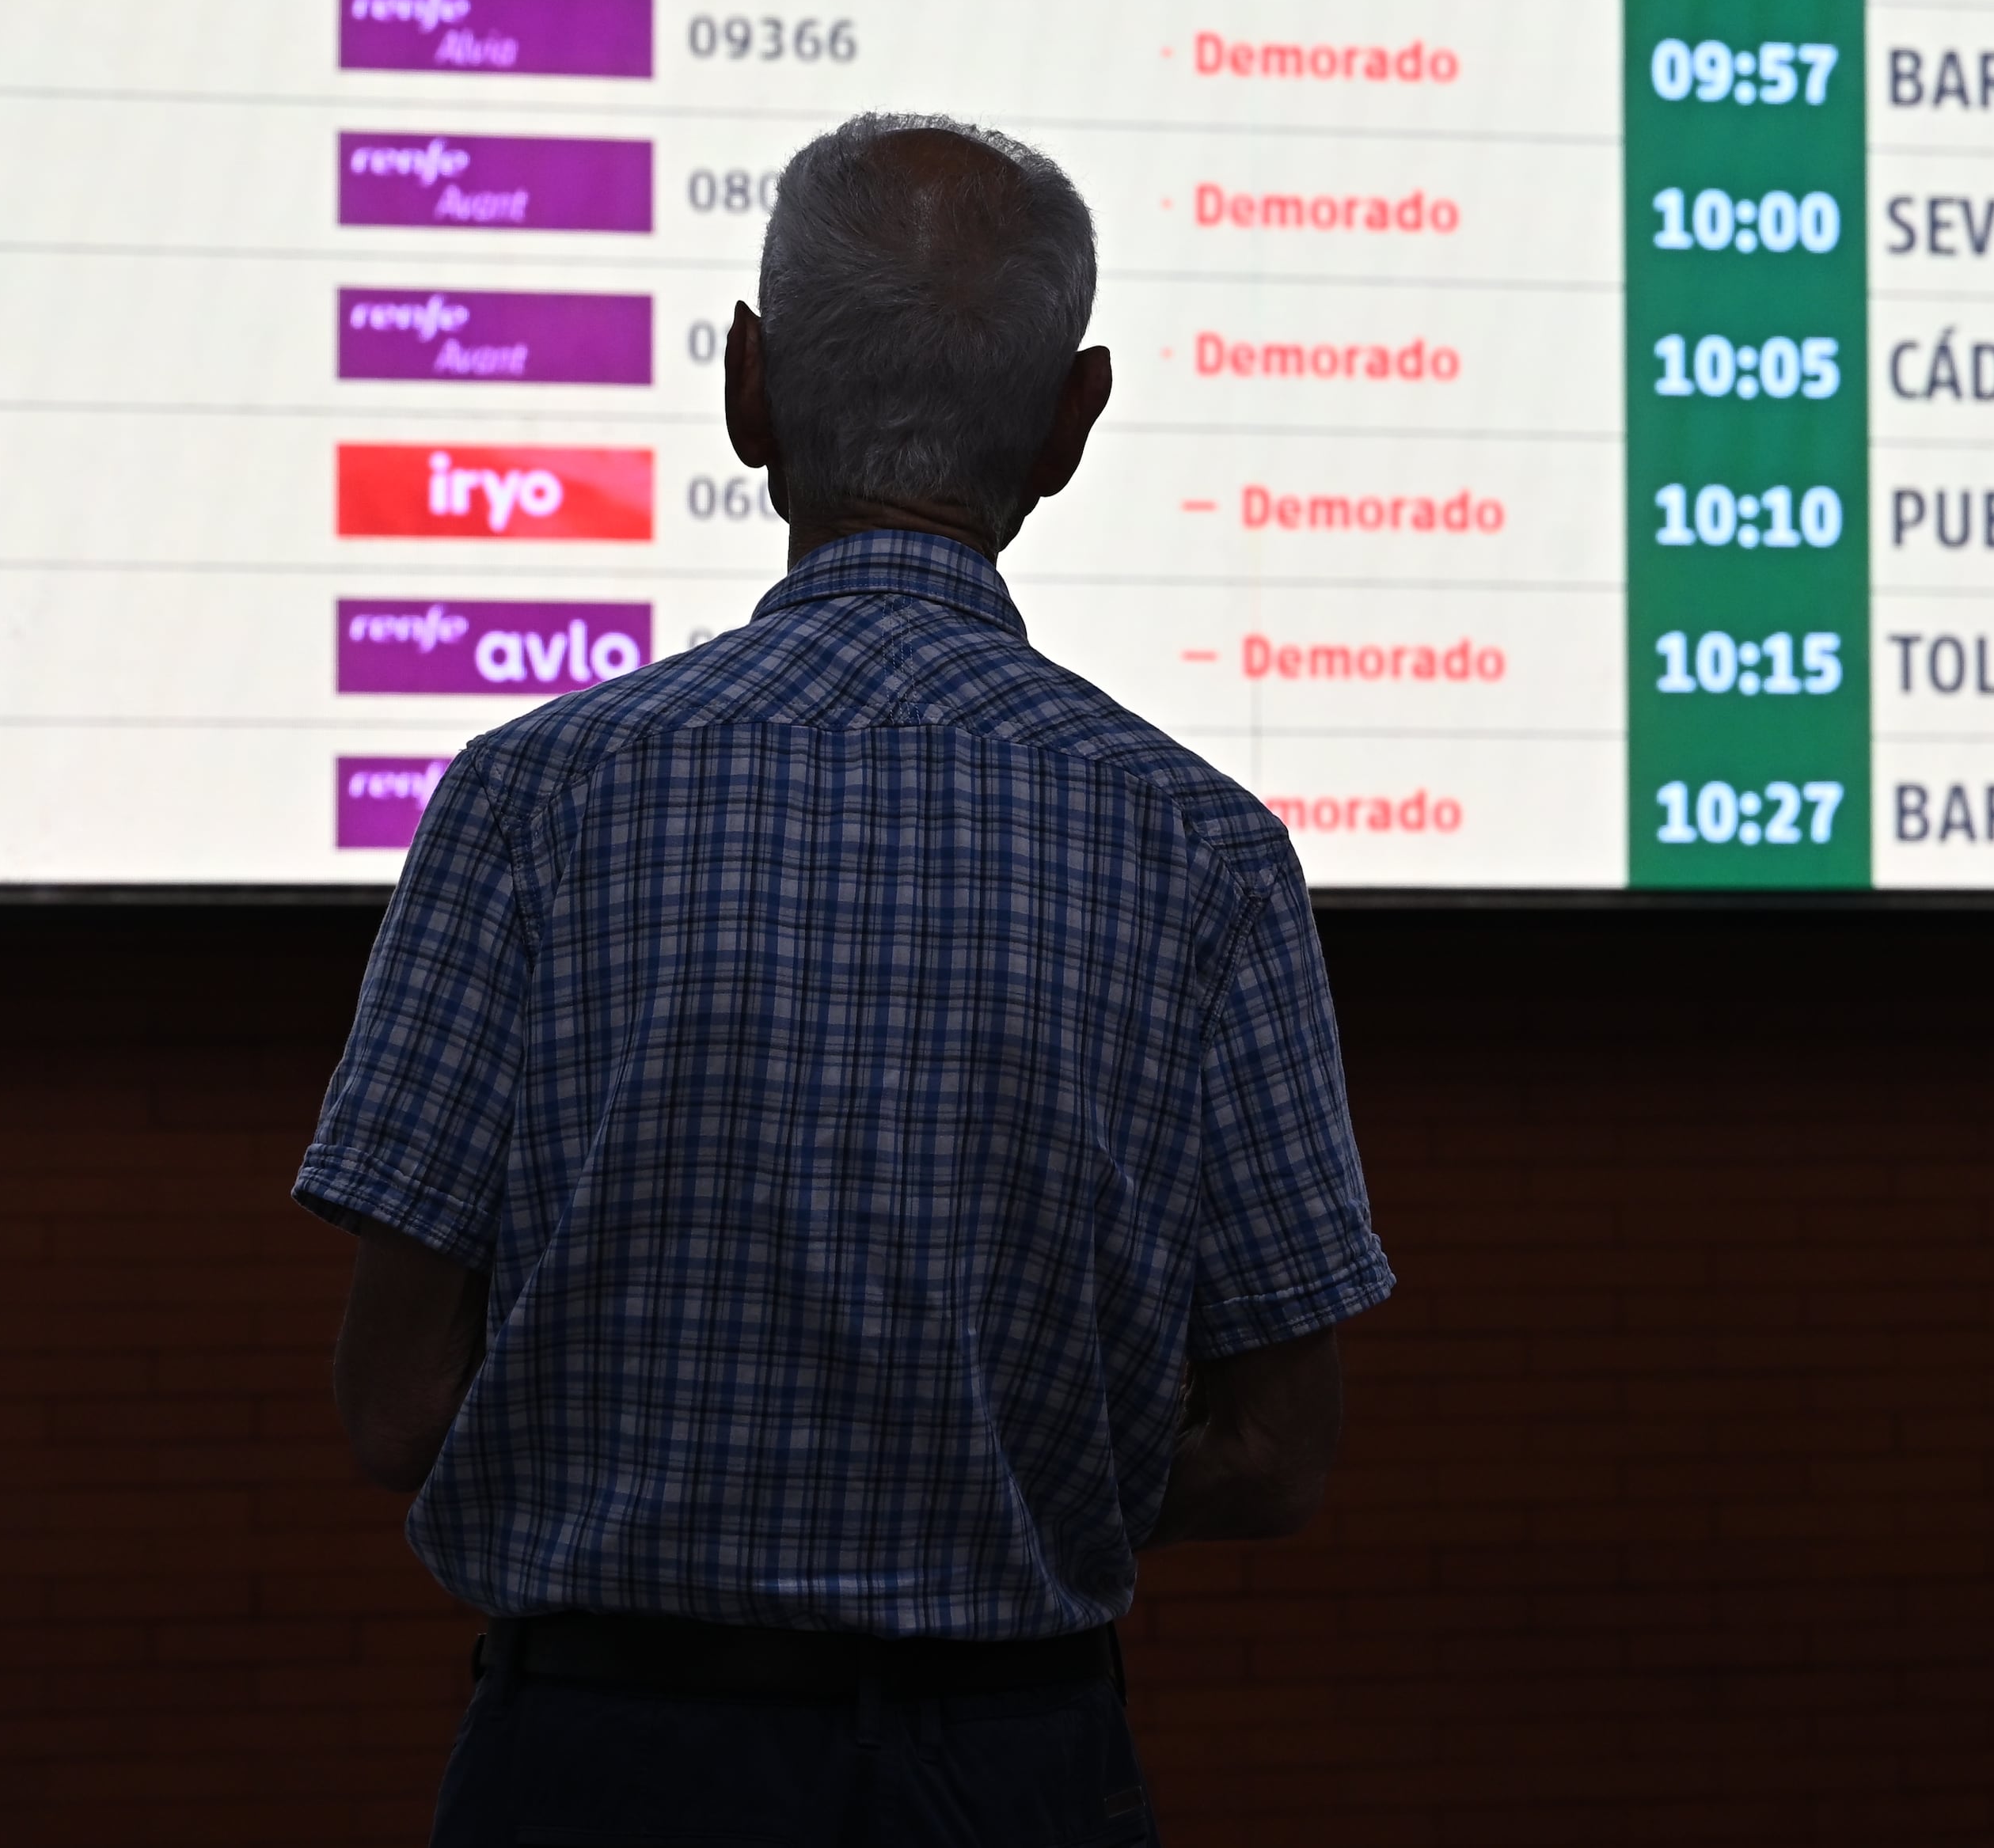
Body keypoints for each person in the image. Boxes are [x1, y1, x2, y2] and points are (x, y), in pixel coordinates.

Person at [294, 112, 1392, 1846]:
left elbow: (394, 1405)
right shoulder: (1207, 852)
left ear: (746, 386)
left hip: (592, 1763)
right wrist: (989, 1490)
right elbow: (1277, 1452)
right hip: (1013, 1769)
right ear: (1073, 421)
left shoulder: (529, 799)